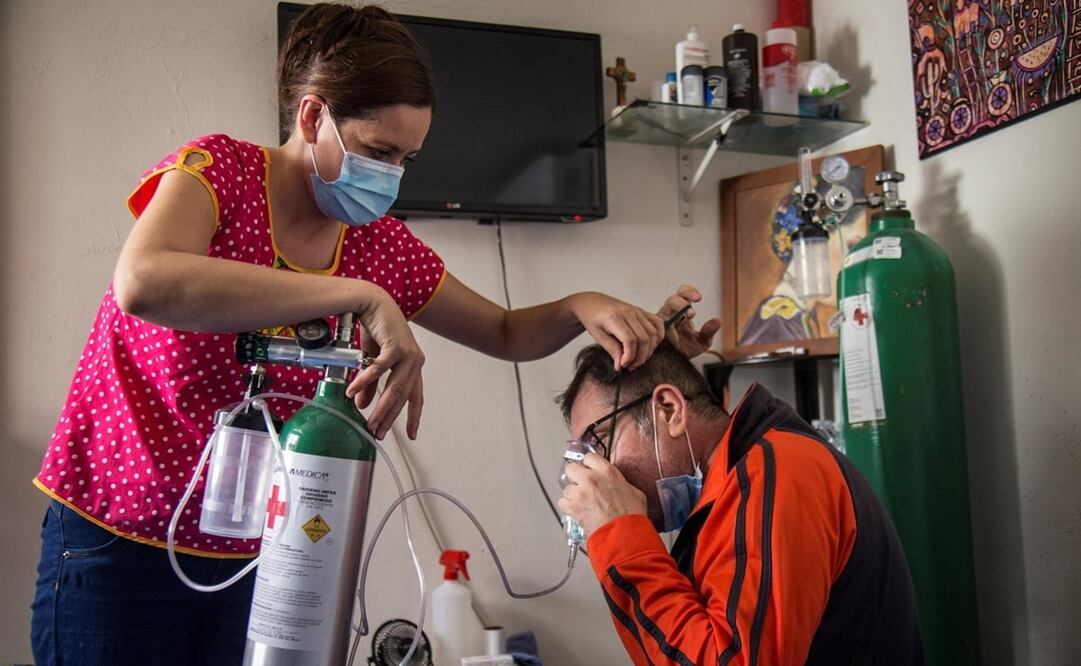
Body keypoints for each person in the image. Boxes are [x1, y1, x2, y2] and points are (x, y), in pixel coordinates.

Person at [29, 4, 720, 664]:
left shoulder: (377, 245)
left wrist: (581, 306)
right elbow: (144, 282)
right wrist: (359, 296)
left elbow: (506, 332)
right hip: (117, 540)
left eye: (406, 160)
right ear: (313, 117)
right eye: (378, 150)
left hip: (256, 552)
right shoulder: (218, 175)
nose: (389, 176)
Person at [557, 341, 924, 665]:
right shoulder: (732, 490)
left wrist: (620, 536)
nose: (595, 470)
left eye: (599, 442)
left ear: (669, 409)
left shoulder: (779, 473)